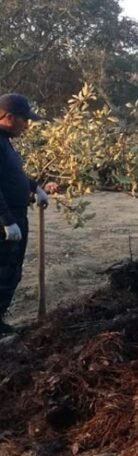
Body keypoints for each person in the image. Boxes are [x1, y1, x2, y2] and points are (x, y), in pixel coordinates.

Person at [0, 93, 59, 335]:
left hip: (15, 215)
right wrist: (7, 221)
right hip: (6, 220)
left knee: (11, 271)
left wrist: (34, 187)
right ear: (8, 117)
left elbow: (12, 173)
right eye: (24, 120)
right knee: (3, 272)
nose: (27, 125)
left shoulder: (4, 141)